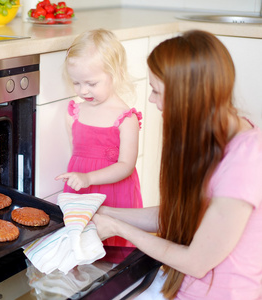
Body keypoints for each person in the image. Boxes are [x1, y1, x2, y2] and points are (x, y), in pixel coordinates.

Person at [92, 30, 262, 299]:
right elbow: (182, 213)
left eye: (156, 90)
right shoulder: (218, 135)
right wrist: (105, 212)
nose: (151, 99)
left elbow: (196, 262)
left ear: (188, 97)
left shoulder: (244, 162)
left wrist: (117, 228)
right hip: (186, 284)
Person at [55, 28, 143, 249]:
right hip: (81, 190)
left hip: (114, 192)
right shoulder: (75, 112)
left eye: (91, 84)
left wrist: (88, 178)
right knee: (82, 244)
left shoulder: (126, 119)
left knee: (113, 247)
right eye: (77, 83)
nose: (83, 90)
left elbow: (126, 166)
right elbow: (76, 152)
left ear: (116, 73)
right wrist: (80, 179)